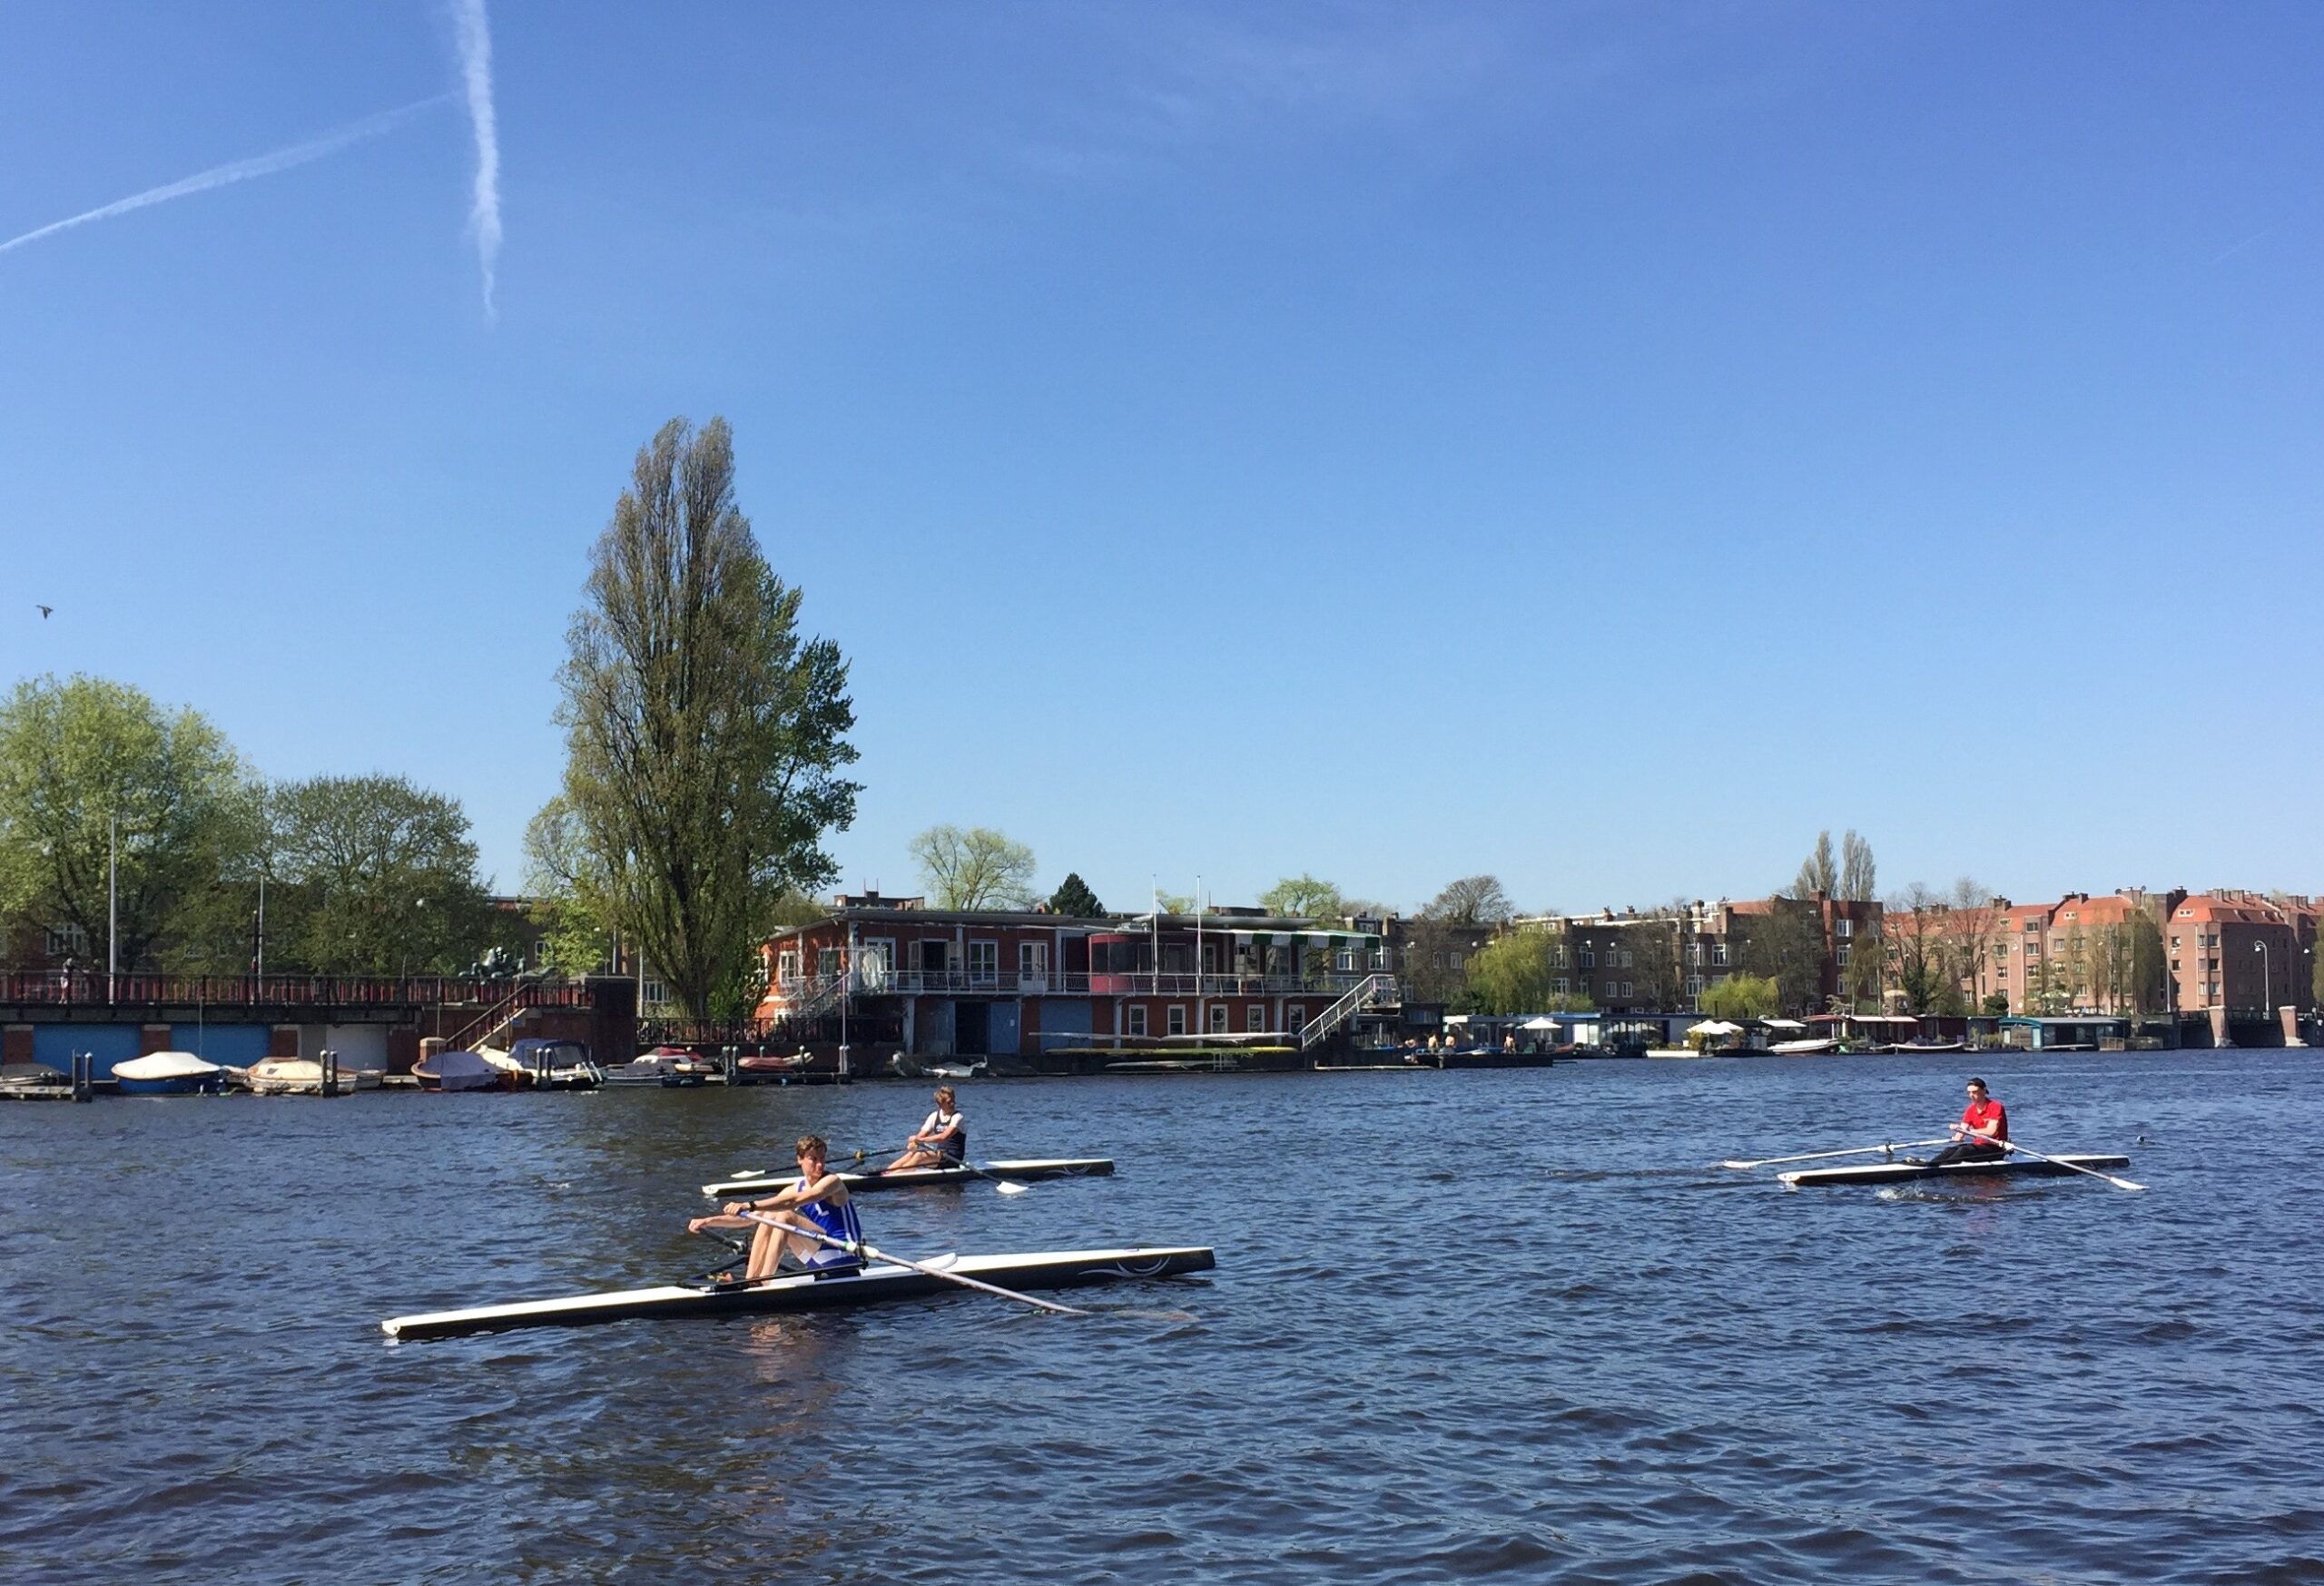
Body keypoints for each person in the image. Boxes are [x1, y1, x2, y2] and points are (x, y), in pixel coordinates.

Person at [688, 1134, 862, 1283]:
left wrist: (750, 1204)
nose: (819, 1165)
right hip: (819, 1258)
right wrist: (708, 1221)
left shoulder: (833, 1182)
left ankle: (764, 1281)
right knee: (771, 1215)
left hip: (844, 1256)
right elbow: (749, 1217)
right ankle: (752, 1280)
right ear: (799, 1160)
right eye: (813, 1159)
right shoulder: (794, 1188)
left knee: (784, 1215)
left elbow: (795, 1201)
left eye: (822, 1158)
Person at [1925, 1077, 2009, 1167]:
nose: (1971, 1095)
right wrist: (1958, 1135)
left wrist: (1967, 1131)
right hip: (1979, 1147)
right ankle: (1930, 1166)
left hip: (1996, 1148)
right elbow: (1962, 1131)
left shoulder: (1996, 1107)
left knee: (1964, 1150)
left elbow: (1991, 1132)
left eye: (1975, 1092)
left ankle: (1941, 1169)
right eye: (1969, 1093)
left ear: (1984, 1091)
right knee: (1949, 1150)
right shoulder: (1971, 1109)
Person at [886, 1085, 968, 1172]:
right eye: (949, 1102)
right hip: (940, 1155)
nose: (953, 1104)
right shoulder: (934, 1116)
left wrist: (921, 1139)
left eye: (953, 1101)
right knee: (912, 1153)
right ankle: (886, 1173)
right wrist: (914, 1142)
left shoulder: (958, 1117)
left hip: (953, 1157)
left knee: (919, 1155)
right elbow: (920, 1136)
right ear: (940, 1104)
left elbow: (944, 1137)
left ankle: (894, 1176)